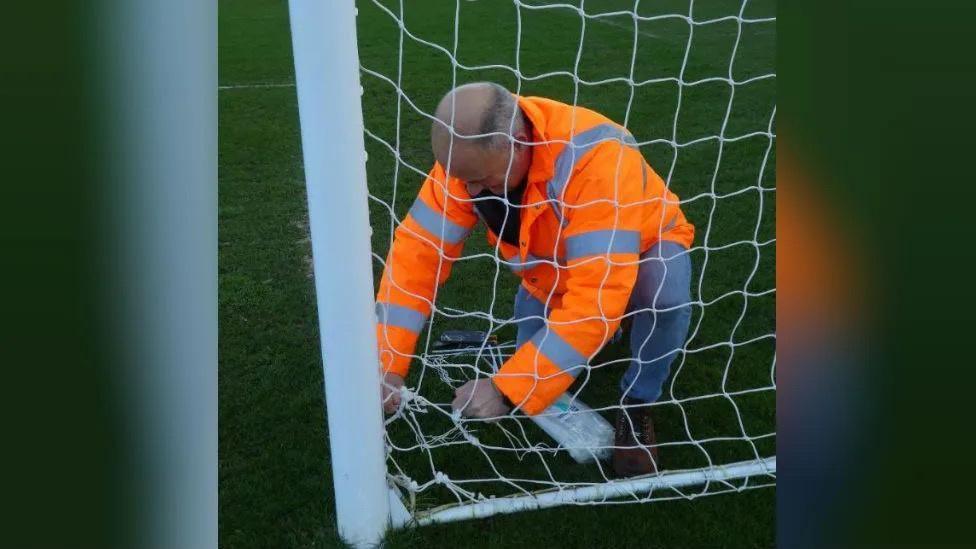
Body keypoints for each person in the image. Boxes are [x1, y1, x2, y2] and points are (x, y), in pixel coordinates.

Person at [375, 82, 694, 477]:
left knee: (663, 296)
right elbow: (418, 254)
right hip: (552, 278)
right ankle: (606, 332)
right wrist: (388, 362)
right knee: (540, 364)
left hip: (646, 249)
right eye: (462, 180)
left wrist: (506, 389)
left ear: (518, 142)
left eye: (484, 181)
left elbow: (597, 296)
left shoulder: (596, 158)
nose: (470, 191)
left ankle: (637, 402)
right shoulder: (467, 165)